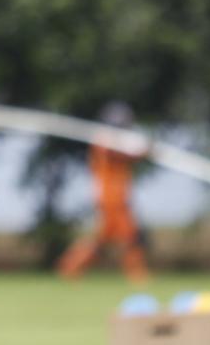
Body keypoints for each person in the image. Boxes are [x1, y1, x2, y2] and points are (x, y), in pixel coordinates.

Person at [57, 101, 150, 284]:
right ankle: (137, 276)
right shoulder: (105, 142)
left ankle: (70, 268)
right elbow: (126, 153)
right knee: (128, 237)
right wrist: (143, 149)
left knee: (104, 241)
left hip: (118, 199)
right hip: (110, 200)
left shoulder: (115, 142)